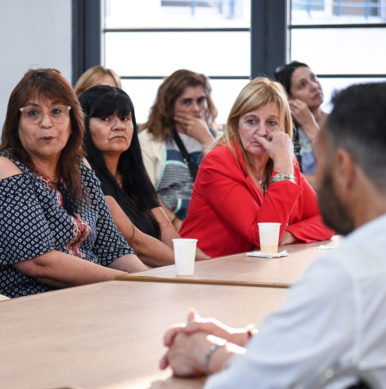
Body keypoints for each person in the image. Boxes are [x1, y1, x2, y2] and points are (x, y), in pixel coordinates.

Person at [160, 82, 386, 389]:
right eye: (251, 121)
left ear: (344, 168)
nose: (262, 132)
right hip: (207, 281)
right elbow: (341, 339)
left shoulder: (347, 273)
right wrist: (250, 340)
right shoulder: (378, 261)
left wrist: (205, 351)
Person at [0, 68, 147, 298]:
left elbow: (112, 247)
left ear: (73, 122)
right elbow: (39, 263)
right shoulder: (2, 168)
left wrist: (152, 280)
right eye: (33, 113)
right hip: (23, 300)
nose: (46, 123)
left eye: (57, 111)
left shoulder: (80, 167)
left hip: (88, 294)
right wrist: (128, 282)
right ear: (16, 123)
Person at [179, 78, 333, 258]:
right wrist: (283, 169)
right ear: (236, 124)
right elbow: (263, 237)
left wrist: (289, 234)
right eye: (251, 121)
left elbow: (327, 220)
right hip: (204, 268)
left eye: (271, 123)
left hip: (251, 267)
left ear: (284, 127)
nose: (261, 132)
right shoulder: (218, 162)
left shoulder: (283, 160)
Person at [79, 85, 208, 266]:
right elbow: (135, 241)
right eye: (106, 119)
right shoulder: (86, 175)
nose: (119, 126)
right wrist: (190, 267)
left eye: (125, 119)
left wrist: (210, 264)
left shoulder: (133, 174)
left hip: (155, 272)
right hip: (119, 276)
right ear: (83, 125)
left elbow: (168, 232)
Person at [139, 69, 219, 229]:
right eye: (186, 102)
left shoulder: (219, 139)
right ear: (169, 107)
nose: (196, 109)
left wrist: (207, 141)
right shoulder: (149, 140)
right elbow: (146, 194)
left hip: (213, 227)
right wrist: (175, 224)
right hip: (169, 227)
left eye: (201, 100)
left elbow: (228, 184)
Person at [274, 61, 327, 186]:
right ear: (290, 99)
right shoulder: (284, 132)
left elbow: (337, 174)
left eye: (313, 78)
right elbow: (275, 175)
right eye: (302, 85)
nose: (314, 86)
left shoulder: (338, 123)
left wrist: (309, 125)